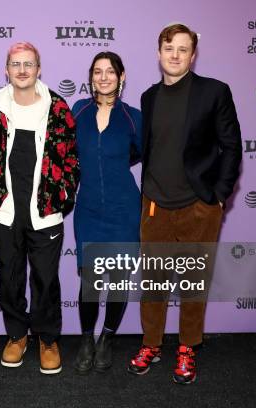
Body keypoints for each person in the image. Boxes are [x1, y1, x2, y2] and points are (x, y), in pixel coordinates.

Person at [127, 24, 241, 384]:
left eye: (182, 49)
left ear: (192, 55)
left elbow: (232, 146)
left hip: (198, 206)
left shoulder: (214, 92)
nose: (174, 55)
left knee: (193, 284)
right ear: (159, 52)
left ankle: (188, 347)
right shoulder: (148, 97)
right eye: (168, 48)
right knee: (154, 284)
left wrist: (218, 196)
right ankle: (151, 344)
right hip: (155, 205)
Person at [0, 41, 79, 375]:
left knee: (46, 280)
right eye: (15, 64)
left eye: (29, 64)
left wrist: (61, 195)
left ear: (39, 69)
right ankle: (17, 335)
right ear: (6, 69)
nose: (22, 70)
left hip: (46, 211)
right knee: (9, 277)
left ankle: (47, 339)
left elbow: (70, 159)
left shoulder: (58, 108)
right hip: (5, 211)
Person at [71, 52, 142, 374]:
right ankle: (86, 339)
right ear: (91, 77)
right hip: (88, 210)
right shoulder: (78, 111)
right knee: (91, 280)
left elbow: (140, 154)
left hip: (124, 209)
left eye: (110, 71)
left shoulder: (134, 117)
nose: (103, 77)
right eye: (97, 71)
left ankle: (107, 339)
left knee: (118, 280)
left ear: (121, 76)